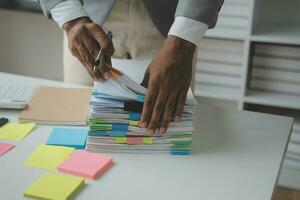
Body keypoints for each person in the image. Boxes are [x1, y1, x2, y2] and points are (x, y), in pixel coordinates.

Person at [39, 0, 224, 135]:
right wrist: (71, 18)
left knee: (164, 131)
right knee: (78, 131)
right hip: (85, 20)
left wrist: (183, 41)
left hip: (172, 25)